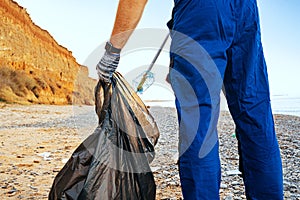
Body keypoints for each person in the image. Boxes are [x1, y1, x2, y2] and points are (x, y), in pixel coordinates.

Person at [96, 0, 284, 199]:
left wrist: (112, 51)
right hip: (246, 10)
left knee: (199, 121)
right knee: (255, 113)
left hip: (200, 12)